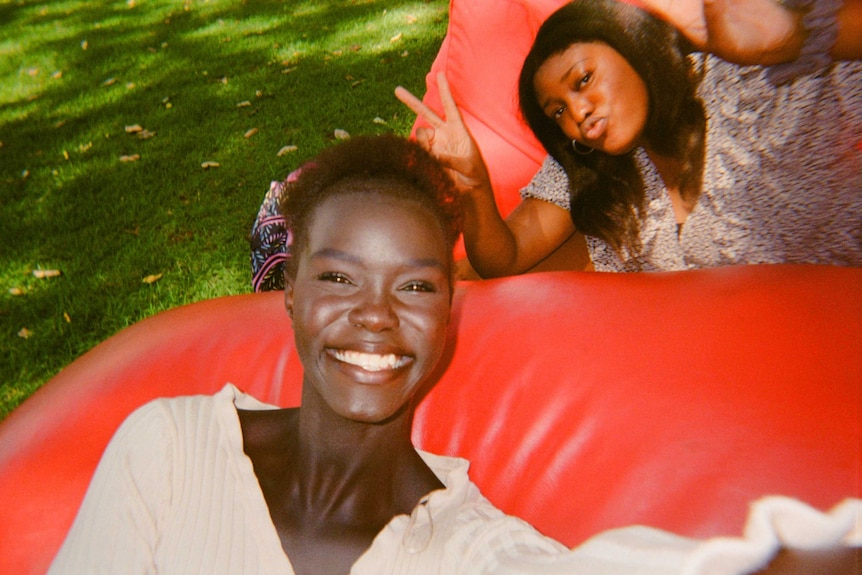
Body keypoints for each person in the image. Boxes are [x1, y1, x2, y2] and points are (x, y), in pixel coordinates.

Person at [48, 135, 858, 574]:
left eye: (415, 287)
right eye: (338, 277)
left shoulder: (468, 543)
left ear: (447, 317)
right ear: (288, 291)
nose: (374, 317)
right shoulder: (171, 447)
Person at [395, 0, 862, 275]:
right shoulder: (588, 165)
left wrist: (805, 36)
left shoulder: (750, 81)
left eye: (583, 80)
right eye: (557, 110)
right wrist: (475, 184)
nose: (577, 112)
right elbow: (506, 255)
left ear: (633, 49)